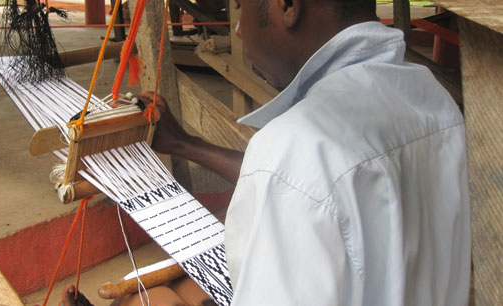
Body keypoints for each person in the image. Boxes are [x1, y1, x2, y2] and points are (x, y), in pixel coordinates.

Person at [69, 0, 471, 304]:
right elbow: (325, 188)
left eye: (243, 5)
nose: (240, 29)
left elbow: (297, 177)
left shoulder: (292, 154)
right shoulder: (434, 103)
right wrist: (181, 143)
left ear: (288, 5)